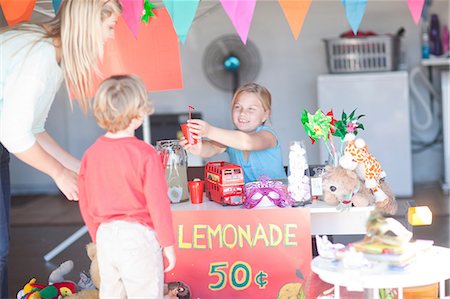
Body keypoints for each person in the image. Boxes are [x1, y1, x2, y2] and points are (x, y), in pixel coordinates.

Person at [0, 0, 122, 296]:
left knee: (1, 249)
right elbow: (14, 133)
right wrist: (59, 173)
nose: (111, 36)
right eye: (109, 27)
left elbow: (34, 128)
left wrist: (81, 169)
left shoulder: (54, 57)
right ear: (89, 23)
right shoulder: (40, 55)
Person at [78, 75, 176, 298]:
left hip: (106, 236)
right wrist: (168, 244)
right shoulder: (146, 154)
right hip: (138, 237)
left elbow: (85, 201)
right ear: (139, 112)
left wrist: (96, 235)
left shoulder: (91, 155)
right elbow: (158, 203)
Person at [182, 83, 287, 183]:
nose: (242, 113)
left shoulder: (268, 136)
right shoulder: (231, 139)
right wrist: (198, 148)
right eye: (238, 107)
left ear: (265, 114)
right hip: (248, 200)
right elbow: (212, 148)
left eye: (251, 109)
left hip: (276, 199)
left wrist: (209, 131)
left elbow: (247, 142)